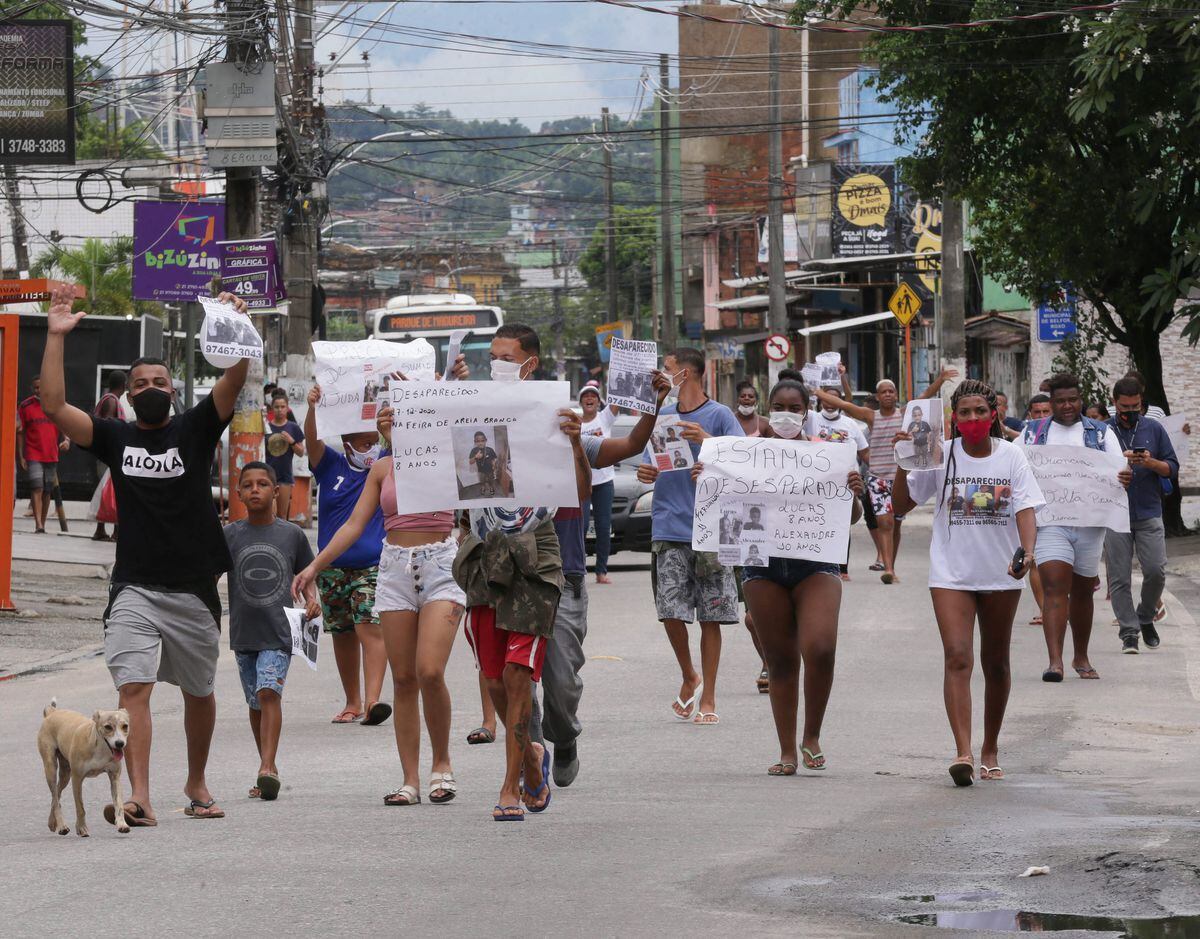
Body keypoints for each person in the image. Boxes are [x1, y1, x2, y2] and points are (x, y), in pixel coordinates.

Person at [41, 284, 250, 825]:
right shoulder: (113, 437)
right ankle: (139, 796)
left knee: (199, 693)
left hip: (195, 588)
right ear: (128, 395)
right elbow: (54, 405)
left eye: (159, 381)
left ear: (174, 390)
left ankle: (197, 782)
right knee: (134, 689)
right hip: (134, 586)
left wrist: (234, 328)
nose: (150, 388)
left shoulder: (197, 427)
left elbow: (233, 379)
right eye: (140, 384)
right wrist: (57, 335)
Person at [294, 357, 470, 807]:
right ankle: (410, 778)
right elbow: (353, 525)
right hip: (393, 569)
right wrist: (314, 566)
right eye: (395, 410)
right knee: (405, 677)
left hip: (439, 565)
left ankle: (442, 763)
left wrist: (451, 386)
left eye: (410, 409)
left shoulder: (450, 456)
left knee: (430, 670)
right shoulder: (380, 468)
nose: (399, 416)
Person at [454, 323, 590, 819]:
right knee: (494, 680)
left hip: (536, 556)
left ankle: (510, 786)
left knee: (518, 675)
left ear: (529, 363)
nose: (496, 366)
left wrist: (575, 444)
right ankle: (532, 755)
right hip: (484, 554)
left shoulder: (554, 414)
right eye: (492, 357)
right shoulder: (469, 406)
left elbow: (576, 491)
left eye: (506, 357)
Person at [696, 378, 864, 774]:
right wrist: (708, 485)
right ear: (769, 409)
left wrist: (853, 493)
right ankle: (787, 751)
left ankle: (812, 735)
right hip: (762, 566)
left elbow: (850, 519)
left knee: (820, 647)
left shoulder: (828, 455)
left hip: (815, 564)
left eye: (795, 406)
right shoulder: (739, 454)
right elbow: (722, 513)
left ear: (806, 411)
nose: (787, 414)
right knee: (781, 660)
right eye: (780, 406)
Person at [892, 379, 1043, 786]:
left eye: (980, 411)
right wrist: (905, 459)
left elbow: (1026, 508)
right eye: (964, 413)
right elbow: (901, 505)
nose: (973, 419)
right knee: (957, 655)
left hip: (1000, 574)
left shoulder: (1012, 456)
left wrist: (1027, 554)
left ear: (993, 414)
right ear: (953, 419)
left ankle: (990, 747)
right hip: (951, 574)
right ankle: (963, 750)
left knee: (996, 663)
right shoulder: (940, 454)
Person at [554, 369, 673, 782]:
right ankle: (528, 755)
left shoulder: (575, 440)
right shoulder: (494, 440)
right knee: (511, 677)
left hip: (563, 574)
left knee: (561, 680)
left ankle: (563, 735)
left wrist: (653, 405)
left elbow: (632, 444)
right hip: (510, 574)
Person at [636, 347, 743, 726]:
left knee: (711, 615)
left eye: (667, 369)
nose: (661, 375)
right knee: (670, 611)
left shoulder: (721, 416)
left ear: (687, 373)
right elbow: (653, 460)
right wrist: (645, 472)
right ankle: (688, 674)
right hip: (668, 523)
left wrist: (709, 441)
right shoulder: (661, 415)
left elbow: (748, 464)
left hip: (712, 527)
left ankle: (709, 694)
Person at [1020, 373, 1129, 682]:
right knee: (1054, 585)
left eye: (1073, 400)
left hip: (1090, 524)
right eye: (1060, 401)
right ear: (1050, 403)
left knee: (1082, 591)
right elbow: (1015, 467)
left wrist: (1124, 477)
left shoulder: (1101, 433)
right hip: (1050, 522)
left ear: (1081, 400)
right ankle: (1055, 662)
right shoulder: (1032, 434)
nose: (1067, 405)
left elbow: (1117, 469)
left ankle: (1080, 656)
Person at [224, 462, 319, 802]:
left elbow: (307, 576)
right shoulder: (231, 535)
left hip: (279, 632)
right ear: (238, 493)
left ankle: (267, 767)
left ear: (276, 491)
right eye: (248, 485)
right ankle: (266, 765)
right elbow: (210, 575)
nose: (255, 490)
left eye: (263, 484)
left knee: (268, 693)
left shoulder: (291, 534)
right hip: (243, 633)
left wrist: (312, 600)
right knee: (254, 701)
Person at [813, 368, 957, 584]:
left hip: (900, 479)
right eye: (884, 392)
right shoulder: (871, 416)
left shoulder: (905, 413)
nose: (888, 394)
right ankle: (888, 569)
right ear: (878, 396)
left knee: (895, 524)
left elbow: (925, 396)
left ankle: (892, 564)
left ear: (895, 395)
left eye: (891, 391)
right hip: (877, 477)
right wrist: (815, 391)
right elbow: (844, 405)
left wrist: (940, 380)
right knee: (885, 522)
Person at [303, 383, 389, 726]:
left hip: (372, 565)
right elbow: (312, 441)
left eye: (375, 443)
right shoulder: (331, 466)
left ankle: (373, 701)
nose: (371, 449)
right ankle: (352, 701)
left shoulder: (384, 466)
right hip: (332, 567)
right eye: (364, 443)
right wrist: (312, 408)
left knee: (369, 626)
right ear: (348, 443)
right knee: (342, 633)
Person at [1104, 376, 1179, 653]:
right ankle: (1129, 633)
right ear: (1115, 403)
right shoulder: (1102, 432)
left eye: (1137, 406)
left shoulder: (1154, 429)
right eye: (1125, 407)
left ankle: (1145, 616)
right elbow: (1090, 474)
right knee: (1119, 578)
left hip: (1148, 510)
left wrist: (1151, 462)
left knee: (1156, 571)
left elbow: (1172, 467)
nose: (1132, 412)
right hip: (1115, 513)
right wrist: (1115, 472)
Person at [806, 386, 869, 581]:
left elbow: (865, 453)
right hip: (817, 482)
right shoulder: (812, 419)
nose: (830, 403)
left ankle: (842, 567)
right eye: (827, 399)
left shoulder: (851, 425)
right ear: (821, 400)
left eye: (835, 399)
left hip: (845, 484)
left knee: (843, 524)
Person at [17, 375, 70, 534]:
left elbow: (66, 425)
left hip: (51, 454)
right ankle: (38, 524)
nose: (38, 390)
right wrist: (21, 455)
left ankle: (43, 523)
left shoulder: (56, 405)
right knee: (37, 487)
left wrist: (66, 440)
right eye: (36, 387)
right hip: (33, 453)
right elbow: (20, 432)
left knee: (47, 490)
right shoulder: (25, 406)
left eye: (41, 386)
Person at [579, 383, 618, 585]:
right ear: (581, 402)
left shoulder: (605, 418)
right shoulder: (577, 423)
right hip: (582, 482)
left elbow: (617, 399)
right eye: (586, 396)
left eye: (593, 395)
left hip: (604, 482)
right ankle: (579, 569)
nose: (589, 398)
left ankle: (601, 571)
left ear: (598, 401)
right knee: (581, 526)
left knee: (604, 527)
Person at [91, 371, 126, 541]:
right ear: (124, 384)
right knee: (114, 491)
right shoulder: (111, 400)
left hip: (105, 454)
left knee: (106, 492)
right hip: (109, 455)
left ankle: (101, 530)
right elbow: (109, 428)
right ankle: (115, 531)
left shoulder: (108, 398)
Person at [265, 391, 304, 521]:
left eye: (282, 407)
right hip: (266, 476)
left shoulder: (293, 427)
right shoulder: (266, 427)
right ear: (272, 409)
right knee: (268, 514)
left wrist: (291, 441)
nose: (280, 410)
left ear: (287, 408)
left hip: (284, 477)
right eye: (277, 407)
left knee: (281, 516)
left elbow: (301, 452)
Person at [468, 432, 498, 497]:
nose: (480, 443)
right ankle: (483, 488)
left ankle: (491, 488)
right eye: (478, 441)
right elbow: (470, 462)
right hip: (481, 471)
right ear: (475, 442)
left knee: (491, 480)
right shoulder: (474, 450)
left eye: (482, 441)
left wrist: (494, 465)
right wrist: (475, 457)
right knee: (482, 481)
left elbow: (494, 458)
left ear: (486, 440)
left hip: (490, 470)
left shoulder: (490, 449)